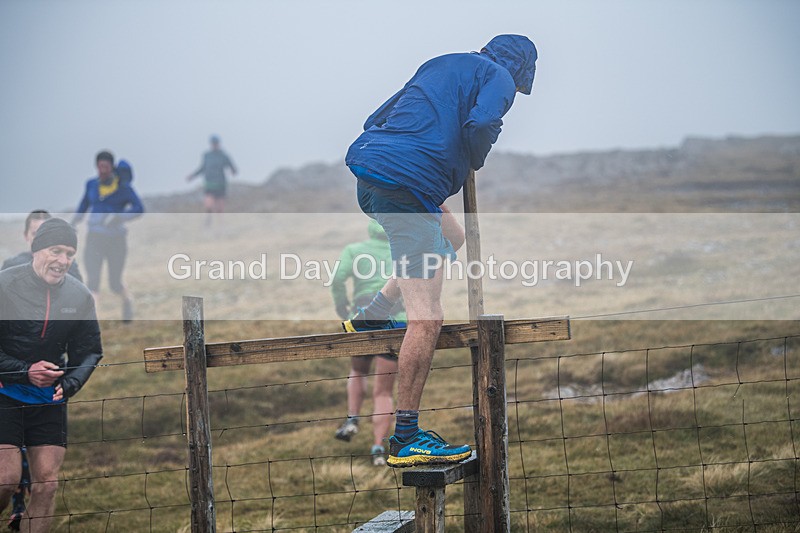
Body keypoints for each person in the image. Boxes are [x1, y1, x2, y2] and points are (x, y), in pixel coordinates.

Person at [343, 35, 538, 467]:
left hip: (372, 176)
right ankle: (406, 438)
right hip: (406, 188)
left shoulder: (442, 62)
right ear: (522, 70)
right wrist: (472, 156)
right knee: (428, 318)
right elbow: (482, 124)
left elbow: (375, 117)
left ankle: (374, 312)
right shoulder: (500, 77)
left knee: (452, 234)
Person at [0, 218, 103, 532]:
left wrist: (70, 383)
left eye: (69, 253)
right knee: (6, 480)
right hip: (4, 391)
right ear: (36, 250)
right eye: (55, 250)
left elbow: (90, 350)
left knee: (47, 483)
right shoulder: (4, 285)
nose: (62, 260)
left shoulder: (79, 296)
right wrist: (24, 371)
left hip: (49, 397)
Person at [331, 220, 406, 466]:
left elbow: (337, 279)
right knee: (383, 391)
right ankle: (377, 449)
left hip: (363, 317)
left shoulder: (354, 250)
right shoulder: (401, 251)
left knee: (357, 370)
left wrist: (342, 307)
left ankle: (352, 419)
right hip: (395, 320)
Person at [72, 151, 144, 322]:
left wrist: (119, 216)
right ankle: (91, 321)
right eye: (99, 166)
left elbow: (139, 208)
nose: (102, 170)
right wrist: (73, 222)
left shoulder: (123, 188)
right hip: (94, 237)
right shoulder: (91, 185)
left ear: (112, 167)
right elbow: (84, 204)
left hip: (116, 240)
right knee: (93, 279)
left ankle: (127, 301)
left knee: (114, 282)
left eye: (105, 166)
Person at [2, 211, 83, 283]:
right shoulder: (11, 266)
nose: (40, 238)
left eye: (45, 234)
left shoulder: (69, 266)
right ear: (26, 235)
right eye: (35, 234)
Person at [186, 135, 237, 221]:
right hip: (209, 184)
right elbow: (202, 168)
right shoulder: (207, 156)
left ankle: (219, 227)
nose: (215, 145)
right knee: (208, 205)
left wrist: (233, 172)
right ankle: (208, 221)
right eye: (213, 143)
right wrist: (192, 176)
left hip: (220, 184)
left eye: (216, 143)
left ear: (219, 144)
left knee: (219, 209)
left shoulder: (224, 156)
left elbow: (233, 168)